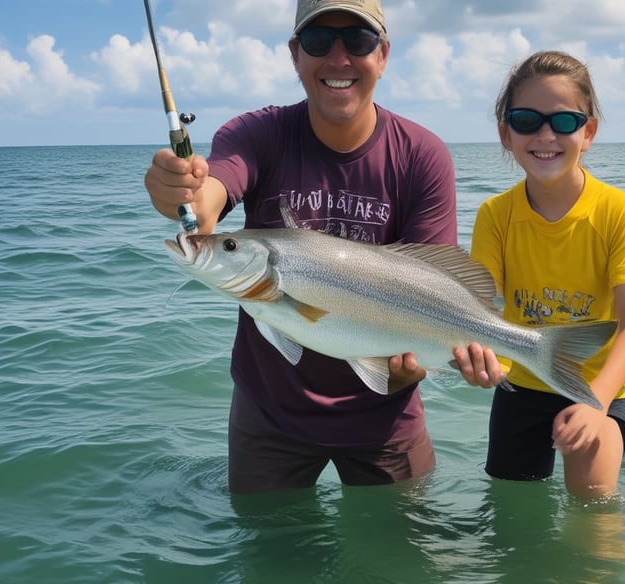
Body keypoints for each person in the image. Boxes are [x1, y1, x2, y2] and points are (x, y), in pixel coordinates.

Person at [144, 0, 497, 494]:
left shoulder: (423, 155)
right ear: (294, 54)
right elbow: (209, 202)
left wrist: (440, 356)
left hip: (388, 415)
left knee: (403, 566)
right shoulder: (256, 133)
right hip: (268, 416)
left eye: (357, 40)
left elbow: (433, 280)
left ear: (384, 54)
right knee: (267, 563)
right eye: (317, 41)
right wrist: (180, 193)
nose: (338, 58)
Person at [467, 50, 625, 500]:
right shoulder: (495, 215)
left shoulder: (617, 211)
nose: (545, 135)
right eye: (526, 120)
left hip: (598, 387)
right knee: (509, 525)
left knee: (594, 521)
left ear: (588, 132)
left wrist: (596, 404)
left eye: (565, 121)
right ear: (505, 134)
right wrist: (478, 357)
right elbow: (474, 309)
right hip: (521, 384)